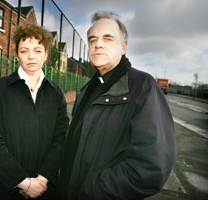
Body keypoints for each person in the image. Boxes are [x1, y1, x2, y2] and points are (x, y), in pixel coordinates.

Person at [60, 11, 177, 200]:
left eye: (108, 38)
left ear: (123, 47)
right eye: (92, 40)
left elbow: (150, 169)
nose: (98, 44)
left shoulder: (142, 87)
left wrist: (92, 188)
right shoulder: (87, 89)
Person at [0, 24, 69, 200]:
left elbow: (61, 138)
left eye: (37, 50)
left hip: (45, 187)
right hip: (2, 188)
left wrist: (42, 179)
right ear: (17, 54)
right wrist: (23, 182)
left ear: (46, 54)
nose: (31, 57)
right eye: (24, 50)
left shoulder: (56, 93)